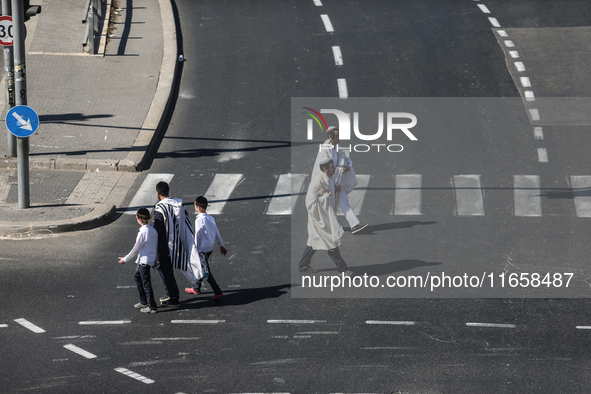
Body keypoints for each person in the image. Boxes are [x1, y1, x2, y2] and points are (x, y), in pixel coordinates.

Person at [298, 158, 353, 276]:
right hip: (319, 219)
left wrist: (337, 190)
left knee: (313, 241)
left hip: (324, 216)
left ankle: (303, 264)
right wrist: (326, 198)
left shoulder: (328, 178)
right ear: (325, 169)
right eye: (332, 167)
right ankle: (342, 269)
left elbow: (330, 193)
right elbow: (310, 202)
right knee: (331, 242)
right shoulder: (317, 182)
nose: (334, 168)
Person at [153, 181, 204, 307]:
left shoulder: (160, 208)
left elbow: (157, 229)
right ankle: (169, 293)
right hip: (178, 243)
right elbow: (186, 223)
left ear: (158, 194)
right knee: (168, 270)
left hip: (165, 246)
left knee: (165, 271)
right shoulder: (178, 204)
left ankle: (173, 297)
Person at [312, 126, 368, 234]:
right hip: (327, 183)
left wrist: (346, 166)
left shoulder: (337, 147)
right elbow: (325, 169)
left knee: (343, 203)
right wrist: (340, 170)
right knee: (328, 206)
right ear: (330, 136)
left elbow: (342, 160)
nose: (340, 138)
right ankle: (323, 227)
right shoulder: (325, 149)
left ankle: (354, 225)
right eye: (338, 136)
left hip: (335, 180)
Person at [185, 196, 227, 300]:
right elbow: (217, 232)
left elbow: (198, 235)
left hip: (202, 250)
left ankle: (217, 291)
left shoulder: (199, 220)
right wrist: (221, 245)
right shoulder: (210, 218)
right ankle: (196, 288)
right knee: (201, 267)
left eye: (195, 205)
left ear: (198, 207)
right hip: (209, 248)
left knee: (204, 271)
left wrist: (197, 250)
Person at [118, 208, 158, 314]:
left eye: (136, 217)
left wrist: (125, 259)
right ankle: (144, 301)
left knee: (146, 284)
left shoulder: (143, 232)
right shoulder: (153, 230)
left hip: (144, 262)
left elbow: (135, 249)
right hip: (147, 260)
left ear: (140, 219)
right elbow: (154, 246)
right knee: (137, 277)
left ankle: (152, 306)